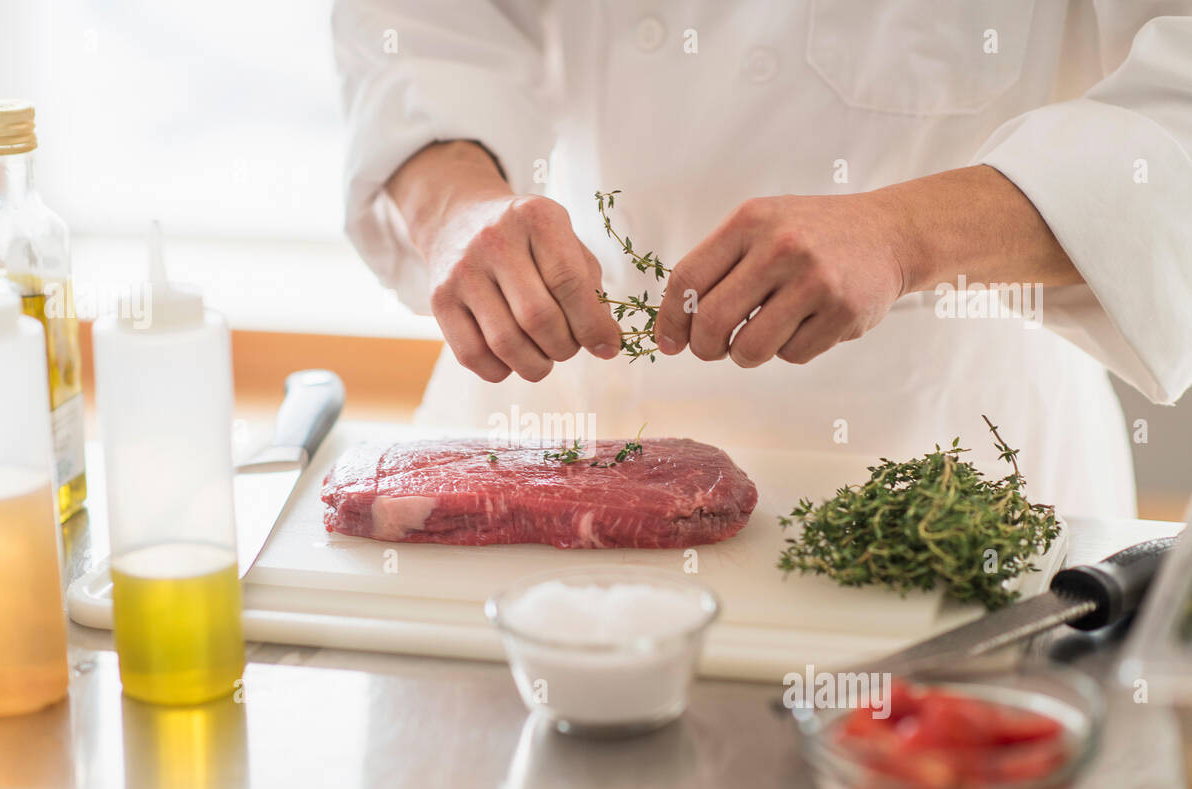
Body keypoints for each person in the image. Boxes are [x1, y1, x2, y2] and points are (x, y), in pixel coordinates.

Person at [332, 1, 1192, 517]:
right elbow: (420, 22)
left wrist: (907, 232)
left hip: (948, 454)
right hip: (545, 411)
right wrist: (455, 207)